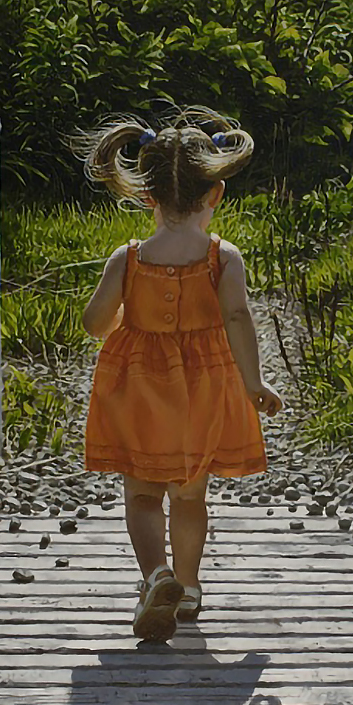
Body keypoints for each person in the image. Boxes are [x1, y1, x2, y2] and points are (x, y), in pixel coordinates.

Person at [70, 106, 283, 643]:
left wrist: (121, 317)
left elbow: (95, 324)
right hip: (203, 393)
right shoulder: (221, 257)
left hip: (140, 392)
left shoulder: (129, 257)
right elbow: (237, 317)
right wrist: (253, 383)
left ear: (148, 197)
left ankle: (154, 577)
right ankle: (187, 587)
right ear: (215, 195)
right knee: (190, 498)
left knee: (142, 496)